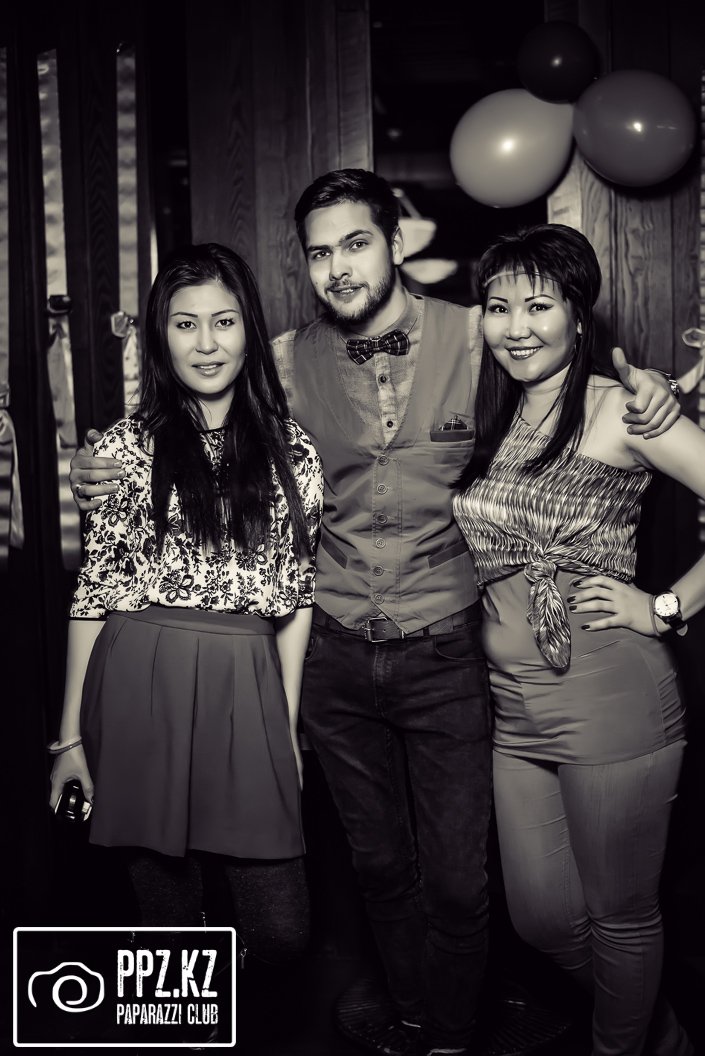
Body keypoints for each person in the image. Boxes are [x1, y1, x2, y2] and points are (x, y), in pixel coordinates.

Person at [69, 172, 679, 1056]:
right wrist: (98, 460)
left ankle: (455, 1033)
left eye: (355, 243)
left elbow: (564, 377)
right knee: (378, 865)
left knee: (460, 877)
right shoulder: (280, 359)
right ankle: (414, 1012)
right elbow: (189, 411)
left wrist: (653, 393)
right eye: (319, 253)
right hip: (333, 650)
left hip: (451, 646)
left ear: (395, 242)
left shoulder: (483, 335)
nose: (338, 268)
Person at [453, 223, 699, 1056]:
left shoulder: (619, 408)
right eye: (497, 308)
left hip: (609, 699)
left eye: (537, 305)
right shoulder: (495, 414)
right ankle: (657, 1036)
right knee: (541, 919)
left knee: (620, 917)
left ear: (575, 313)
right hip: (514, 709)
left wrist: (662, 607)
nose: (515, 327)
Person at [50, 243, 324, 969]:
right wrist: (68, 741)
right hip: (141, 676)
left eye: (224, 321)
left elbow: (296, 597)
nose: (206, 343)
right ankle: (192, 1018)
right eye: (185, 324)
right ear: (160, 336)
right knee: (168, 923)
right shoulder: (123, 450)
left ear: (249, 330)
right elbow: (97, 591)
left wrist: (286, 726)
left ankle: (232, 1004)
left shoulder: (293, 452)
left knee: (281, 931)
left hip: (247, 681)